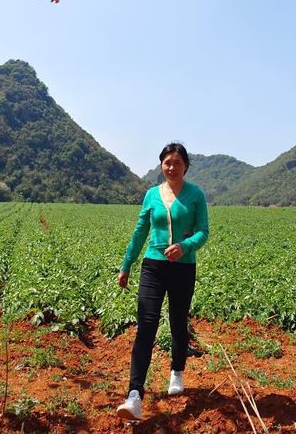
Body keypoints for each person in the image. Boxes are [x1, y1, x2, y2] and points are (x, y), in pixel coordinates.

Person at [116, 142, 209, 421]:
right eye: (167, 162)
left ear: (185, 166)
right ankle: (134, 394)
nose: (172, 167)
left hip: (183, 268)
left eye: (177, 163)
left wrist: (184, 246)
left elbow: (203, 232)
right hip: (153, 266)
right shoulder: (151, 195)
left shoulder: (196, 195)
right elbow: (140, 230)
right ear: (161, 165)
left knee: (178, 321)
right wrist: (126, 264)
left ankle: (177, 370)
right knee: (146, 325)